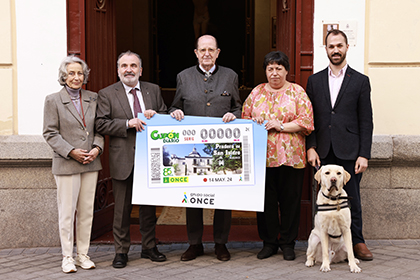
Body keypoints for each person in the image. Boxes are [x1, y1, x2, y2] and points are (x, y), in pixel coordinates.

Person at [169, 34, 242, 261]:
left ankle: (221, 243)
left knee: (223, 198)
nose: (207, 53)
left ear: (218, 52)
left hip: (221, 148)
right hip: (193, 148)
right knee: (193, 198)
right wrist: (175, 112)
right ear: (196, 53)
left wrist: (234, 114)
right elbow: (174, 106)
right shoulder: (183, 77)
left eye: (211, 49)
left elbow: (239, 107)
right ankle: (195, 243)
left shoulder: (230, 76)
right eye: (203, 50)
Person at [306, 29, 374, 261]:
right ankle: (323, 243)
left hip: (350, 151)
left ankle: (357, 242)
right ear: (325, 49)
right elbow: (310, 118)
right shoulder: (314, 81)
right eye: (331, 46)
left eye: (339, 45)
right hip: (323, 151)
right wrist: (311, 147)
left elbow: (366, 121)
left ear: (347, 47)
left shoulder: (361, 81)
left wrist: (364, 154)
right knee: (323, 201)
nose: (335, 50)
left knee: (350, 199)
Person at [95, 51, 168, 268]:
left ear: (140, 70)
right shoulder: (107, 94)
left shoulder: (153, 90)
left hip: (150, 158)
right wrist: (127, 123)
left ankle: (149, 247)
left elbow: (164, 115)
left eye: (133, 66)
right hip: (123, 158)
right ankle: (121, 251)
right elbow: (101, 123)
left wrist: (158, 116)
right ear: (118, 70)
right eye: (124, 66)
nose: (129, 69)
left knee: (148, 207)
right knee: (122, 209)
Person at [242, 51, 314, 261]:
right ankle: (269, 242)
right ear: (266, 71)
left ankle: (288, 243)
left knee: (290, 201)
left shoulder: (297, 92)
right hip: (261, 159)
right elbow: (245, 118)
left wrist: (280, 125)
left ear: (286, 71)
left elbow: (307, 122)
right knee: (266, 202)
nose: (274, 73)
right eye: (270, 69)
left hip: (292, 158)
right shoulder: (256, 93)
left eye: (279, 69)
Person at [43, 55, 104, 273]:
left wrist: (97, 148)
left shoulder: (94, 98)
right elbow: (50, 133)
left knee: (87, 211)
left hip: (90, 162)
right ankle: (67, 257)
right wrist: (71, 151)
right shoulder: (53, 100)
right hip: (67, 163)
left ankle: (83, 255)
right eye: (71, 73)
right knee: (67, 212)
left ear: (84, 75)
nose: (76, 77)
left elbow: (100, 128)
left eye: (80, 73)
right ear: (64, 76)